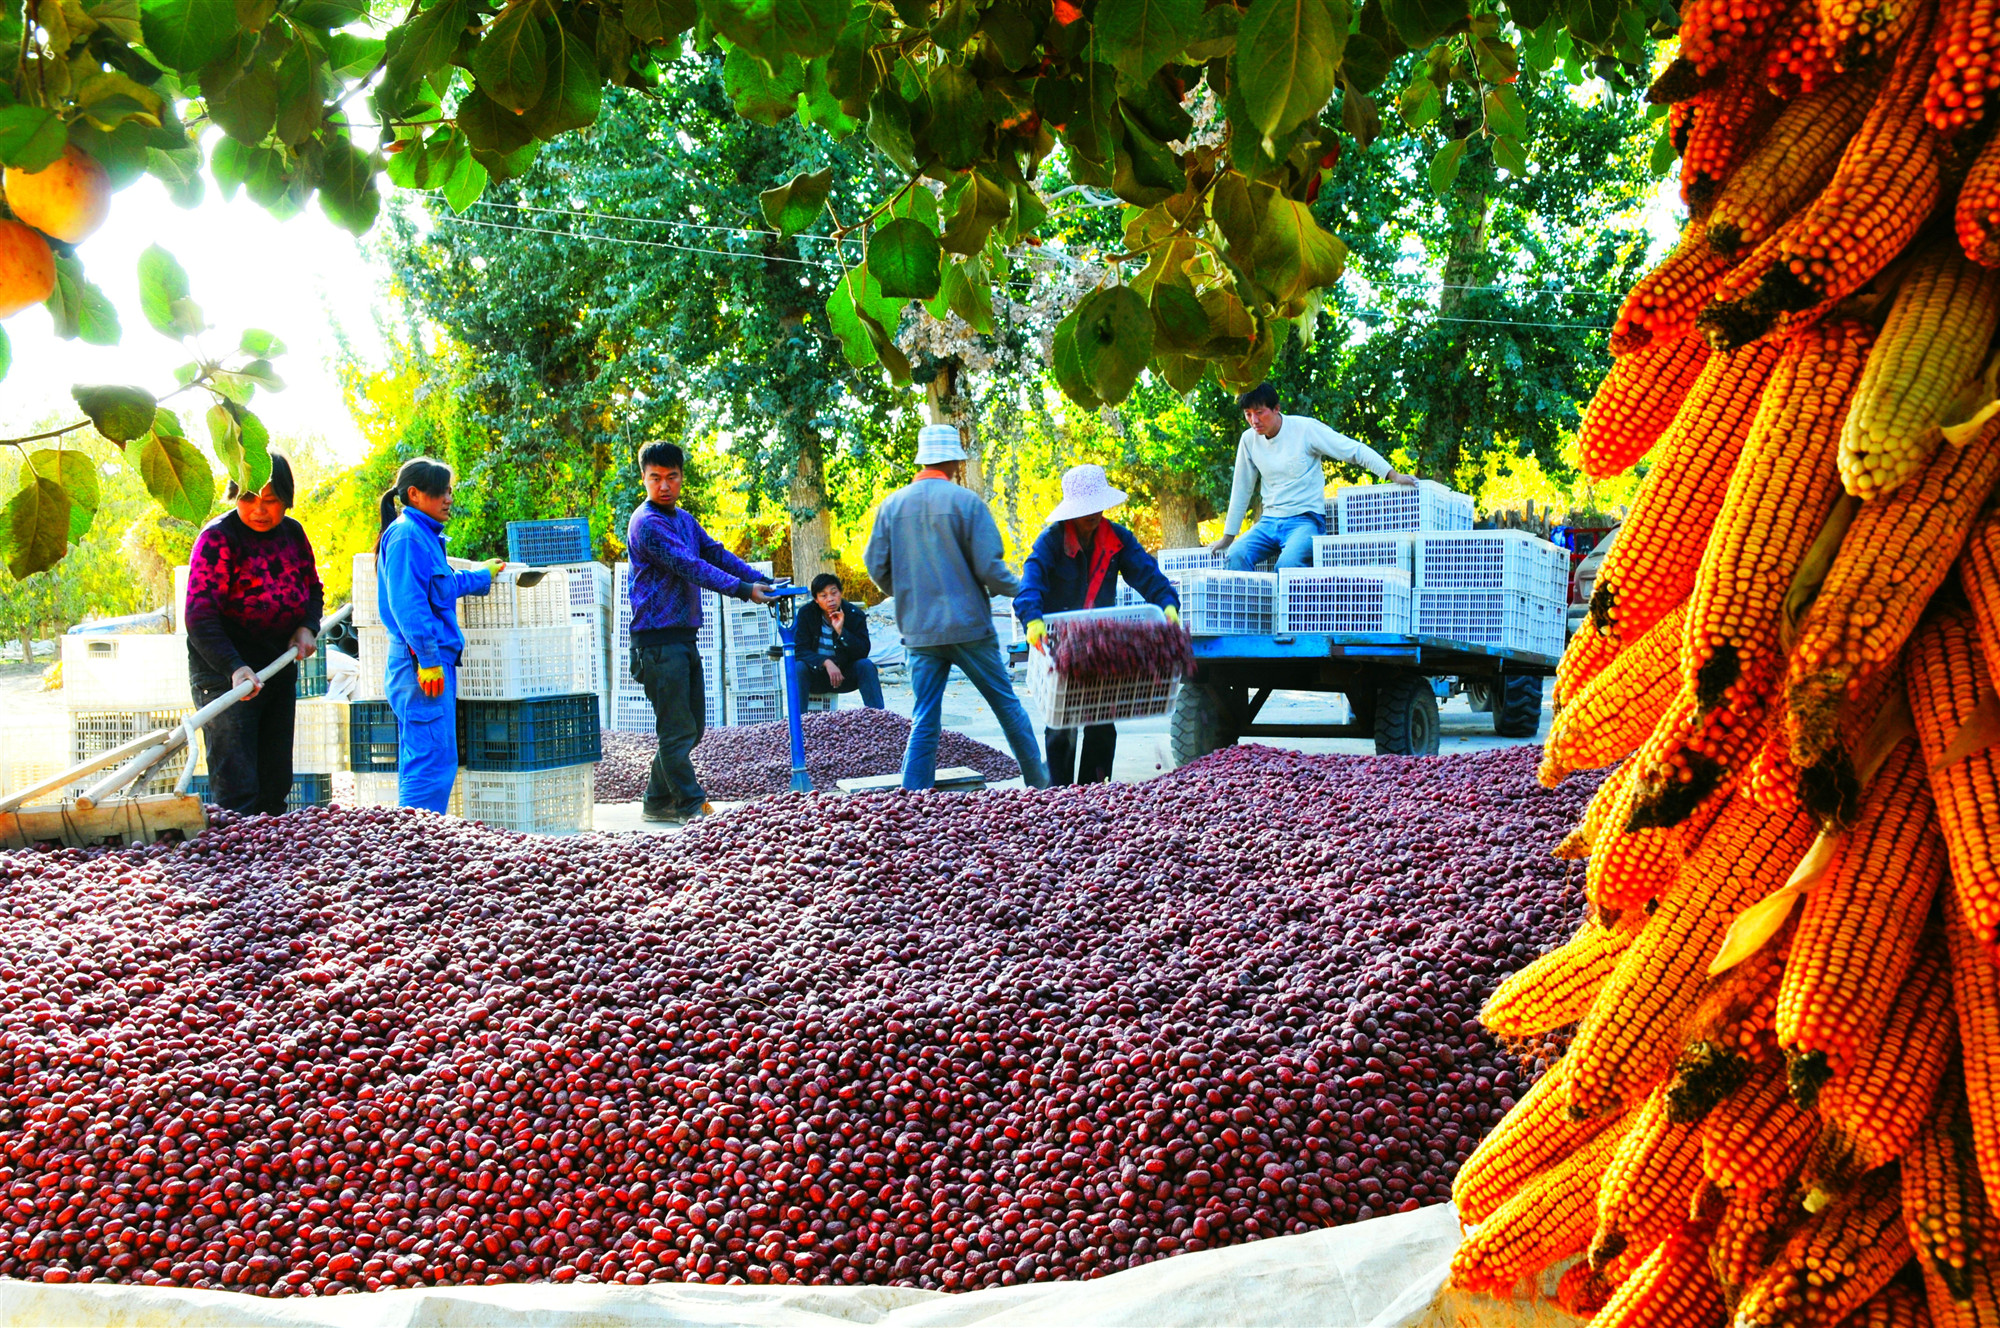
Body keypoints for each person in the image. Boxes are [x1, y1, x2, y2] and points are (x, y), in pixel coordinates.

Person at [865, 424, 1051, 790]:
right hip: (969, 628)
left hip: (919, 632)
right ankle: (1039, 787)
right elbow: (991, 571)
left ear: (922, 460)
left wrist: (908, 595)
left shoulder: (892, 506)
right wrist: (1026, 590)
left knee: (924, 717)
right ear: (953, 460)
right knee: (1007, 706)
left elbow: (876, 567)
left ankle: (913, 798)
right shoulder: (967, 504)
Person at [626, 441, 774, 823]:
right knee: (676, 730)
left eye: (671, 477)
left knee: (692, 729)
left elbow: (715, 554)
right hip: (657, 643)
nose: (663, 486)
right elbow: (691, 566)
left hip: (683, 637)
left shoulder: (683, 519)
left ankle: (656, 801)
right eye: (655, 478)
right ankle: (692, 805)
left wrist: (759, 579)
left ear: (681, 478)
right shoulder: (648, 525)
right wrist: (743, 591)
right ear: (643, 478)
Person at [1015, 464, 1181, 785]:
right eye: (1085, 508)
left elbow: (1147, 574)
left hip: (1099, 644)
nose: (1093, 514)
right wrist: (1033, 619)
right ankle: (1059, 797)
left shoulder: (1118, 539)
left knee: (1103, 721)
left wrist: (1168, 605)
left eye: (1097, 507)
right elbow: (1031, 581)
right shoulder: (1052, 541)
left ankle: (1093, 792)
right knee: (1061, 723)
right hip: (1060, 643)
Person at [184, 454, 324, 815]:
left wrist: (306, 627)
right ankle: (235, 860)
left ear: (287, 499)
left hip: (276, 665)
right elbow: (199, 616)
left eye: (270, 500)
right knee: (238, 786)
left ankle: (271, 863)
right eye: (248, 498)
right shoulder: (217, 539)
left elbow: (313, 590)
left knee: (275, 780)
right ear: (235, 496)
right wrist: (233, 667)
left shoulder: (293, 534)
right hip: (225, 676)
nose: (259, 510)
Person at [375, 457, 503, 813]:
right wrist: (428, 660)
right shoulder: (407, 537)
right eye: (441, 492)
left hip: (430, 664)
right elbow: (409, 606)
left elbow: (443, 585)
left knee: (432, 756)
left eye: (449, 491)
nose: (448, 499)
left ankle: (417, 843)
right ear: (415, 494)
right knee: (430, 762)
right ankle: (417, 847)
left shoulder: (423, 536)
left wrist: (483, 575)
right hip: (419, 666)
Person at [1211, 382, 1419, 571]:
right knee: (1236, 555)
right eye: (1248, 414)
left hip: (1305, 520)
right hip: (1268, 522)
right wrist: (1228, 537)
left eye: (1259, 412)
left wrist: (1392, 474)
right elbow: (1241, 488)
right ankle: (1255, 612)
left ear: (1276, 408)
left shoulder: (1305, 429)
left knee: (1287, 566)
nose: (1254, 420)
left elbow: (1352, 450)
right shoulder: (1248, 440)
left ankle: (1284, 612)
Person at [794, 573, 886, 710]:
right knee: (798, 668)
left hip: (843, 676)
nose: (830, 599)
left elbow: (863, 651)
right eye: (823, 596)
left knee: (866, 666)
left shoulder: (854, 614)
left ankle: (879, 719)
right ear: (816, 599)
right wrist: (826, 662)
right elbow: (799, 650)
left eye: (834, 593)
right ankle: (798, 724)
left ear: (841, 593)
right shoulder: (806, 614)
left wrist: (841, 632)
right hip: (815, 676)